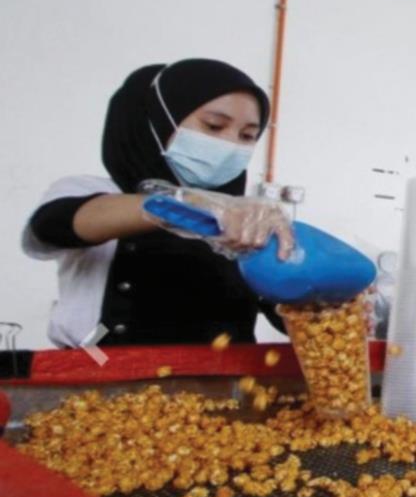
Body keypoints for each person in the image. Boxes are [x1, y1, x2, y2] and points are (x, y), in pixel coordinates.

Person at [22, 59, 295, 347]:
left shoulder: (247, 220)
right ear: (158, 122)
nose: (231, 145)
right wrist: (188, 204)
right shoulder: (90, 191)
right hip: (101, 370)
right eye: (214, 126)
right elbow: (51, 227)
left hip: (224, 384)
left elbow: (294, 312)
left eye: (247, 136)